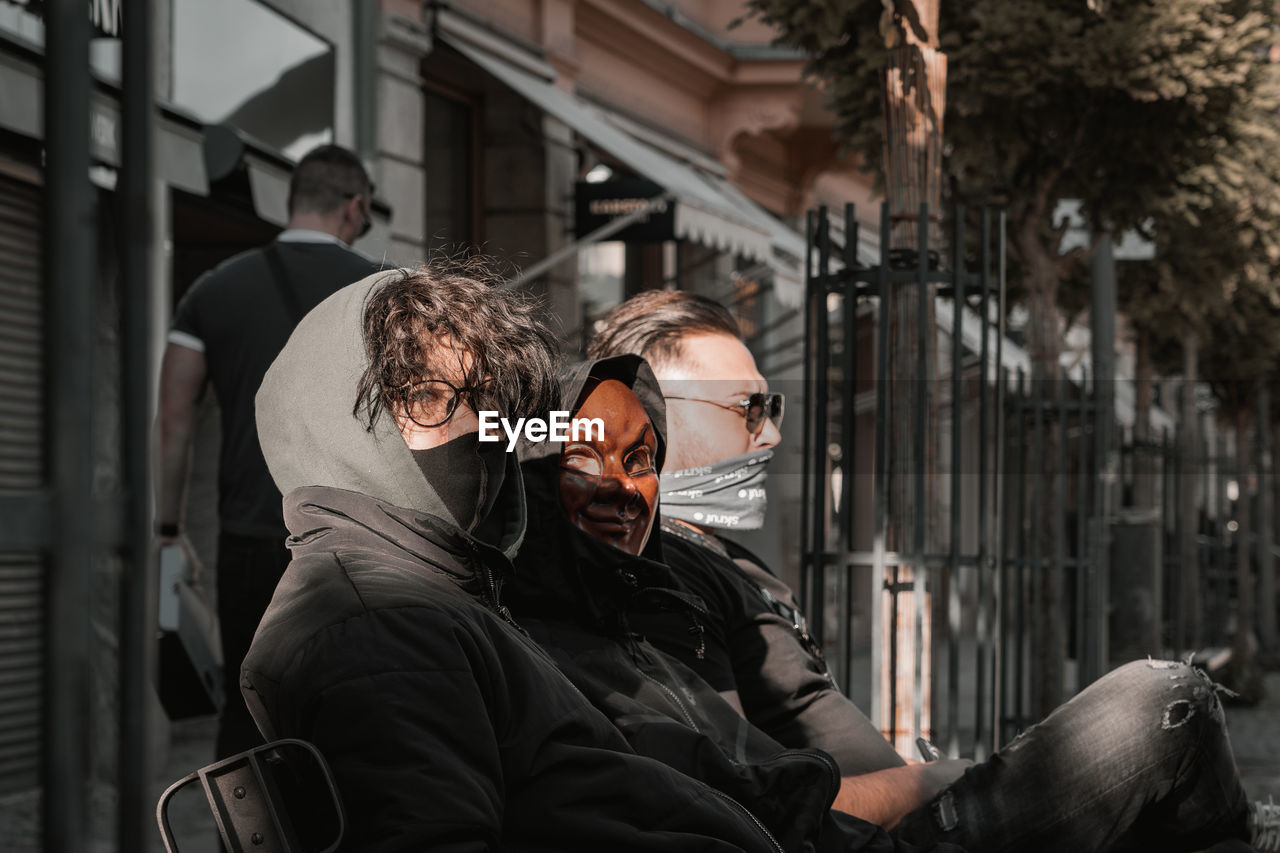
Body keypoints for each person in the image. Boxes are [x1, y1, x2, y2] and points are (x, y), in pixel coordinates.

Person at [586, 289, 1275, 852]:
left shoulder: (716, 555)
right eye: (750, 408)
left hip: (923, 812)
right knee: (1165, 697)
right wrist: (923, 782)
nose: (771, 433)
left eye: (774, 407)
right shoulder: (657, 568)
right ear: (652, 419)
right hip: (904, 835)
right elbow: (745, 796)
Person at [237, 264, 802, 852]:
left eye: (488, 401)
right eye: (426, 397)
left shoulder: (445, 595)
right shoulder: (380, 625)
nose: (475, 426)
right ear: (338, 424)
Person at [509, 354, 967, 850]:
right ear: (529, 473)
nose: (623, 488)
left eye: (641, 459)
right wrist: (924, 784)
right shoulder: (540, 665)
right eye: (580, 457)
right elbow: (762, 805)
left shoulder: (640, 646)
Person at [154, 144, 382, 758]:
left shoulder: (213, 291)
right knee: (345, 703)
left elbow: (173, 418)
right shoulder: (381, 291)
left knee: (248, 705)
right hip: (353, 537)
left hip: (251, 534)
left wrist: (169, 528)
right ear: (353, 208)